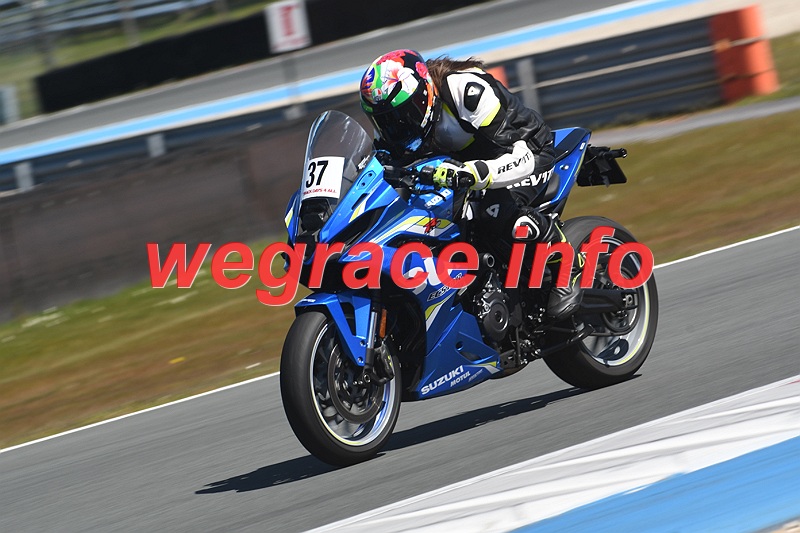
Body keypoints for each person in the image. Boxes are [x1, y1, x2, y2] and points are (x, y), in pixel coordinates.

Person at [359, 49, 582, 320]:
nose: (398, 125)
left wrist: (475, 173)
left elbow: (519, 156)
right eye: (386, 120)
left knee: (496, 214)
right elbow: (379, 163)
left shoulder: (466, 92)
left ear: (425, 93)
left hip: (525, 153)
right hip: (461, 167)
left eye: (405, 114)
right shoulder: (393, 127)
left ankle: (566, 265)